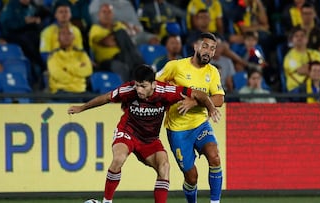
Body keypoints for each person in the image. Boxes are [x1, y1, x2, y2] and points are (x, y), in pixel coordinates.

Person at [67, 64, 221, 203]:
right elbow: (107, 97)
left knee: (164, 167)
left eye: (143, 86)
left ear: (153, 84)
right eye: (137, 85)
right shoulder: (129, 90)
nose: (139, 90)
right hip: (127, 133)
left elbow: (198, 94)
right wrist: (82, 108)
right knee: (119, 158)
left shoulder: (166, 91)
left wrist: (211, 108)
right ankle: (107, 201)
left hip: (150, 140)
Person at [156, 32, 224, 203]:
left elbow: (219, 99)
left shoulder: (213, 72)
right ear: (196, 46)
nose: (209, 51)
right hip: (178, 130)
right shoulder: (175, 66)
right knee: (191, 177)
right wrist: (169, 92)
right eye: (205, 46)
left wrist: (194, 102)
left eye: (213, 49)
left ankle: (215, 202)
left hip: (200, 124)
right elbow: (154, 84)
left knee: (214, 157)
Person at [47, 26, 92, 102]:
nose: (66, 36)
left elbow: (88, 70)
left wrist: (67, 68)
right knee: (78, 102)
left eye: (69, 34)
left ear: (73, 37)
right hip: (62, 91)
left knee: (99, 102)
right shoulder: (53, 56)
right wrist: (77, 72)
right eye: (63, 34)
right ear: (58, 38)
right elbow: (58, 74)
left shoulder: (81, 54)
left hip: (81, 91)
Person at [283, 26, 320, 92]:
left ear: (307, 39)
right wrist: (315, 67)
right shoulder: (289, 57)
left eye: (302, 36)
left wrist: (309, 68)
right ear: (292, 40)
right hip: (296, 90)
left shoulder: (314, 53)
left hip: (315, 87)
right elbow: (301, 70)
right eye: (296, 36)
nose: (299, 38)